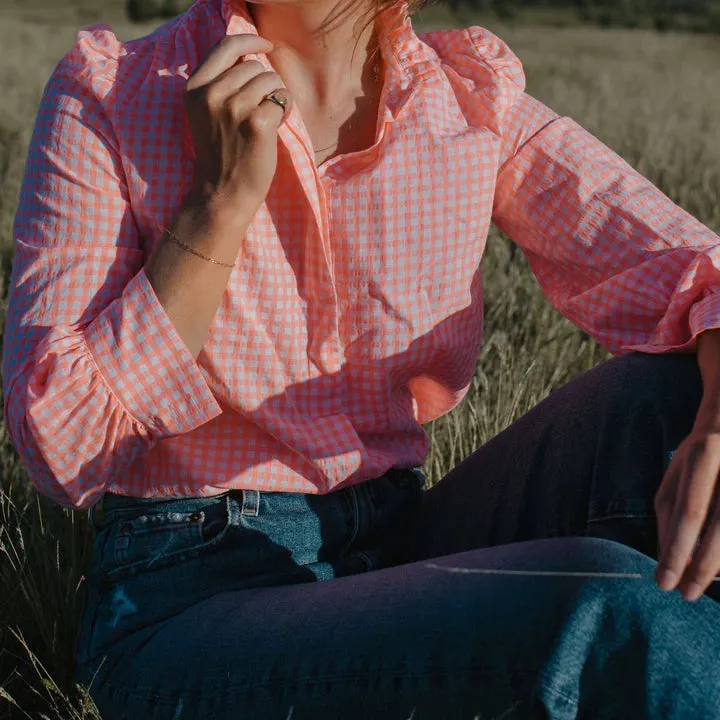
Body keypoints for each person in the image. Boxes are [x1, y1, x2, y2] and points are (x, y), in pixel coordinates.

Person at [4, 0, 720, 715]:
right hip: (189, 603)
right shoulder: (113, 93)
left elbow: (697, 272)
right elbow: (60, 446)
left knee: (675, 398)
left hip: (400, 542)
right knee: (603, 613)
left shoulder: (465, 102)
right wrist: (215, 209)